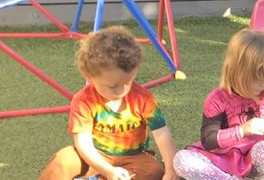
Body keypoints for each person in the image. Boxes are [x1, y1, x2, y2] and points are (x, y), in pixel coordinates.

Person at [39, 26, 179, 180]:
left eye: (128, 81)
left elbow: (161, 133)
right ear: (88, 76)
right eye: (112, 86)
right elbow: (83, 144)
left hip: (135, 157)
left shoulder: (143, 98)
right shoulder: (84, 100)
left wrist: (171, 170)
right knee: (63, 159)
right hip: (95, 154)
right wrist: (107, 170)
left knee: (153, 171)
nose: (121, 91)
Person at [173, 29, 264, 179]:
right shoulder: (218, 99)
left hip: (253, 161)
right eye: (258, 77)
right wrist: (242, 130)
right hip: (219, 161)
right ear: (238, 71)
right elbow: (208, 140)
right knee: (181, 159)